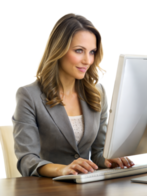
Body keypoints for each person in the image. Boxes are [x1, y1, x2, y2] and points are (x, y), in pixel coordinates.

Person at [11, 12, 135, 177]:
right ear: (59, 50)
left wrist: (108, 160)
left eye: (92, 52)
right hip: (46, 189)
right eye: (79, 51)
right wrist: (61, 169)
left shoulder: (97, 93)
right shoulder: (29, 95)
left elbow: (99, 152)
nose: (88, 61)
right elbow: (27, 160)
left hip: (86, 188)